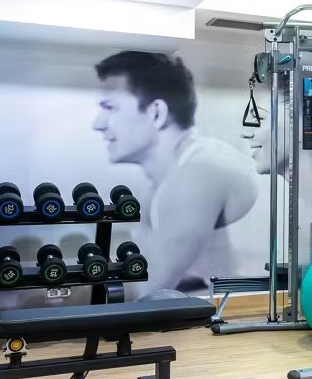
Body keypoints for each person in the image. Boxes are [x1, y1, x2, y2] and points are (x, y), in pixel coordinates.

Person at [93, 51, 257, 298]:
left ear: (156, 113)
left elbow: (148, 295)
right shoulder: (158, 183)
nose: (98, 123)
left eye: (109, 107)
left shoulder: (199, 172)